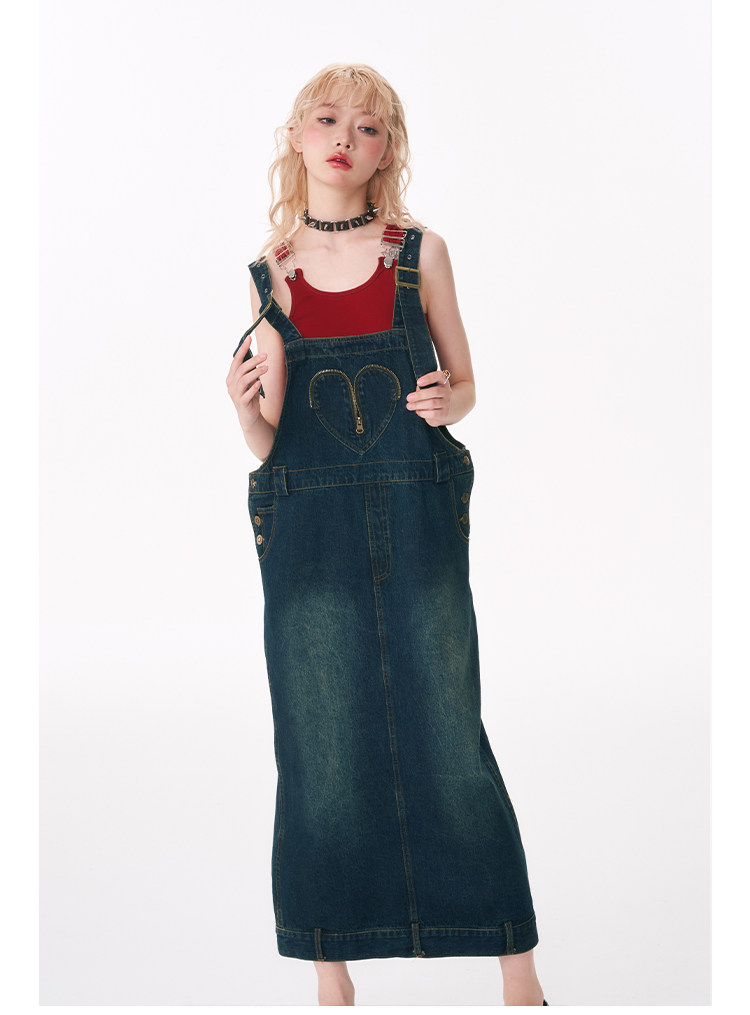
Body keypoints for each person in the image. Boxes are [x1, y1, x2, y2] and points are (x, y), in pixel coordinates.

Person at [226, 63, 548, 1007]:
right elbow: (272, 437)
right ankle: (332, 975)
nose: (344, 139)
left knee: (448, 726)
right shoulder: (269, 271)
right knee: (318, 736)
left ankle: (519, 973)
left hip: (416, 508)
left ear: (387, 151)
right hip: (308, 519)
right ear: (297, 135)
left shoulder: (420, 252)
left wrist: (454, 398)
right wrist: (242, 413)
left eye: (367, 128)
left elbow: (466, 384)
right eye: (327, 120)